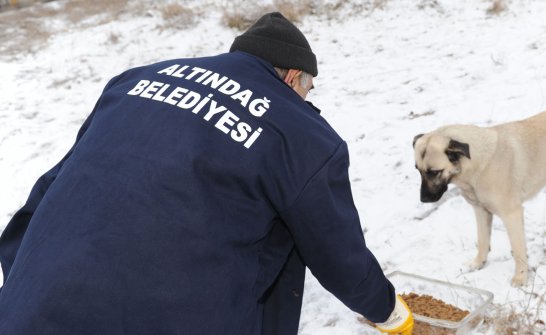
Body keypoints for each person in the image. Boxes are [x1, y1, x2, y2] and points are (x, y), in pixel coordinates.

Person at [0, 12, 413, 335]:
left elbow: (46, 194)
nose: (306, 100)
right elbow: (337, 253)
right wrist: (388, 311)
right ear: (293, 77)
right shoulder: (299, 131)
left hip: (27, 309)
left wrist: (32, 287)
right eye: (308, 89)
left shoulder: (134, 81)